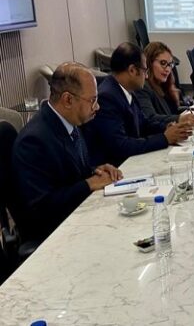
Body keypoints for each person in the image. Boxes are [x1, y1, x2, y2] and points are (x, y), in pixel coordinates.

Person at [11, 63, 123, 242]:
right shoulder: (33, 141)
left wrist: (95, 171)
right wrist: (89, 183)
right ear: (68, 100)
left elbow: (69, 173)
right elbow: (42, 207)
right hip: (54, 235)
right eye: (92, 100)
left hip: (78, 216)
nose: (97, 107)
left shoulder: (69, 122)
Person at [83, 42, 193, 166]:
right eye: (145, 70)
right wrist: (164, 138)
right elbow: (121, 146)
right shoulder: (107, 97)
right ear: (132, 70)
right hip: (116, 168)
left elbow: (144, 124)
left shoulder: (126, 90)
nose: (146, 76)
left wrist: (168, 127)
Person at [135, 42, 194, 127]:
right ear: (149, 62)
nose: (168, 69)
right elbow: (150, 118)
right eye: (163, 63)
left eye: (170, 65)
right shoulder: (143, 87)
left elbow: (172, 112)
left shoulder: (164, 85)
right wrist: (179, 118)